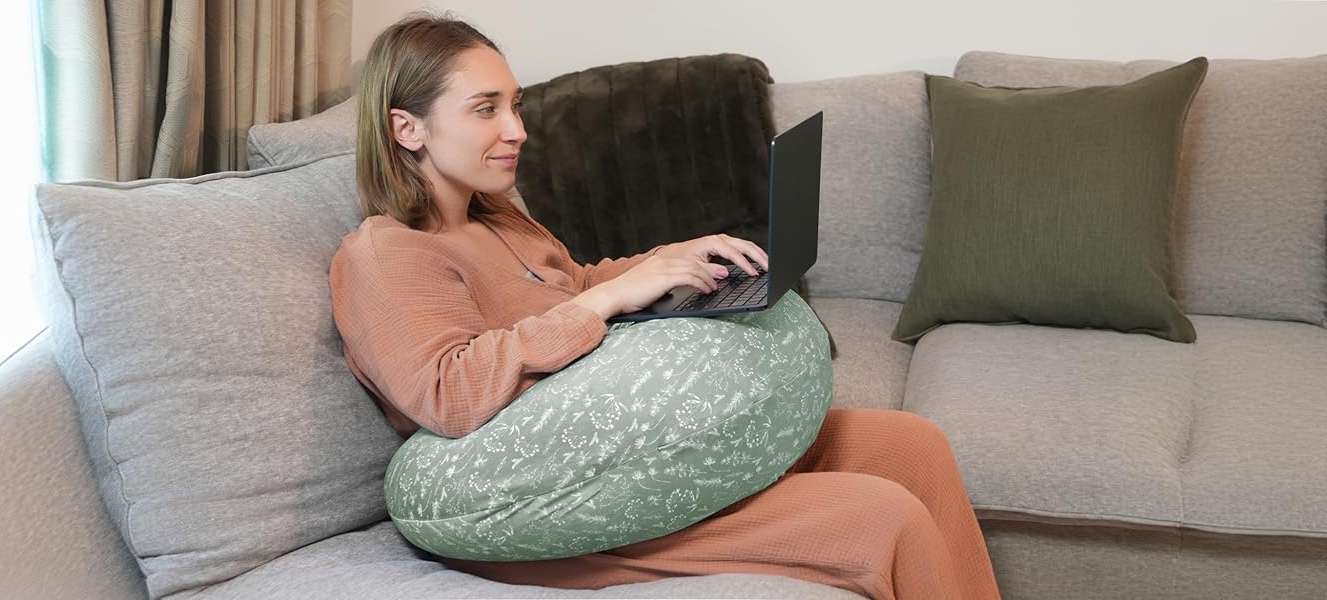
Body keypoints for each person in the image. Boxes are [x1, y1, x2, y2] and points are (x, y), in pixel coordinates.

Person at [329, 12, 1002, 600]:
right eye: (485, 109)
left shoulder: (498, 217)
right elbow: (449, 392)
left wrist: (667, 263)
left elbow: (571, 284)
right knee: (884, 518)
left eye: (516, 104)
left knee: (912, 444)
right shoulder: (386, 257)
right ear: (407, 128)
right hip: (554, 505)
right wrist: (613, 298)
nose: (517, 130)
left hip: (627, 454)